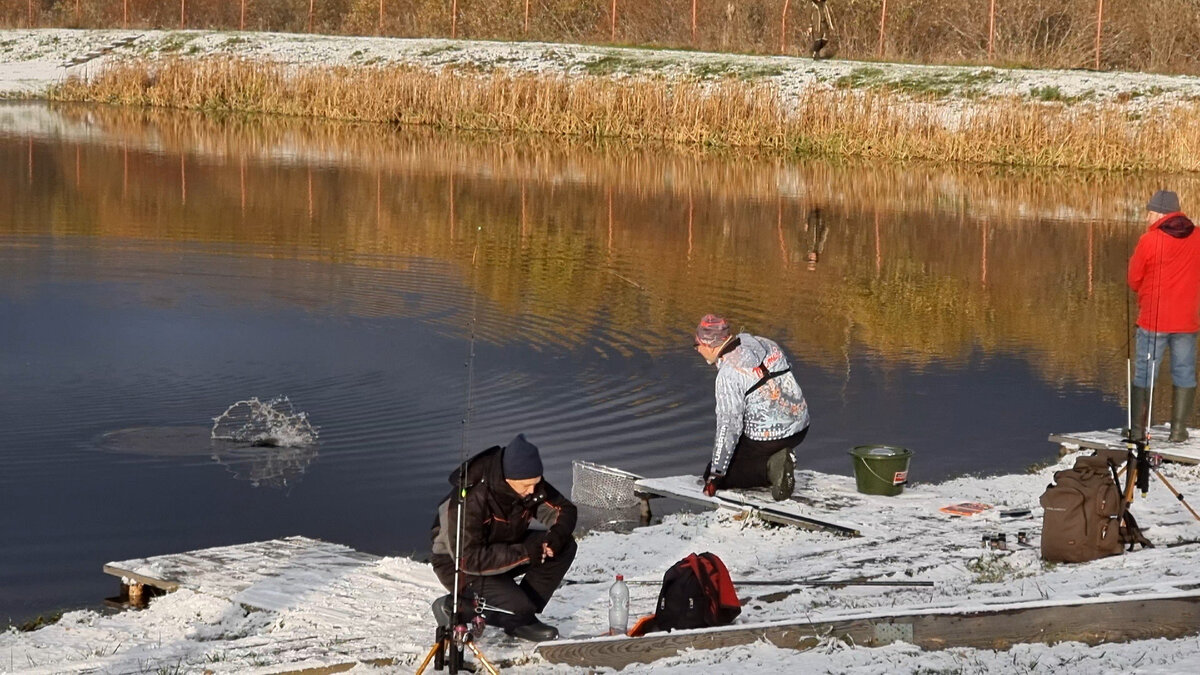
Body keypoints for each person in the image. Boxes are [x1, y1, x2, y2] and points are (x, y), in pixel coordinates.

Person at [429, 433, 577, 641]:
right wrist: (526, 553)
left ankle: (522, 616)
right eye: (527, 486)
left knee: (565, 545)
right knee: (518, 605)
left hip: (502, 547)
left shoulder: (527, 482)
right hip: (458, 565)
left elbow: (564, 510)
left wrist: (555, 536)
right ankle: (457, 608)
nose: (533, 490)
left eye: (536, 483)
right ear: (509, 478)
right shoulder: (472, 497)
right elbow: (468, 559)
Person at [693, 315, 811, 501]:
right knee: (739, 451)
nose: (698, 350)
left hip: (768, 437)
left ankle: (771, 469)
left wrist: (716, 474)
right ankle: (778, 456)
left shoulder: (729, 373)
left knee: (717, 472)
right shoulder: (765, 343)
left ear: (711, 345)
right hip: (801, 425)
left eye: (697, 345)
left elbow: (728, 426)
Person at [1128, 190, 1200, 442]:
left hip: (1153, 320)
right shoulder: (1198, 237)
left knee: (1145, 373)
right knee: (1184, 372)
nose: (1147, 217)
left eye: (1149, 212)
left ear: (1160, 213)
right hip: (1187, 321)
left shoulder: (1150, 240)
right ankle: (1178, 431)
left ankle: (1138, 431)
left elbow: (1134, 279)